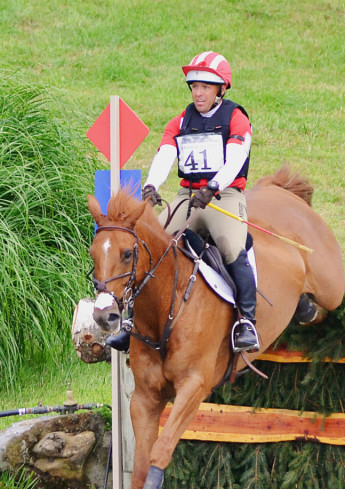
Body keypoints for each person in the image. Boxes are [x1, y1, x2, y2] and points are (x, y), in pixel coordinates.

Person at [106, 51, 259, 354]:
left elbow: (236, 157)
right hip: (187, 196)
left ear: (221, 89)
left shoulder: (236, 118)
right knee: (147, 243)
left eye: (205, 87)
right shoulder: (180, 120)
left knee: (230, 245)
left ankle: (247, 322)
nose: (198, 93)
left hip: (223, 197)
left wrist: (214, 185)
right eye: (194, 87)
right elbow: (165, 154)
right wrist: (151, 185)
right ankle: (132, 323)